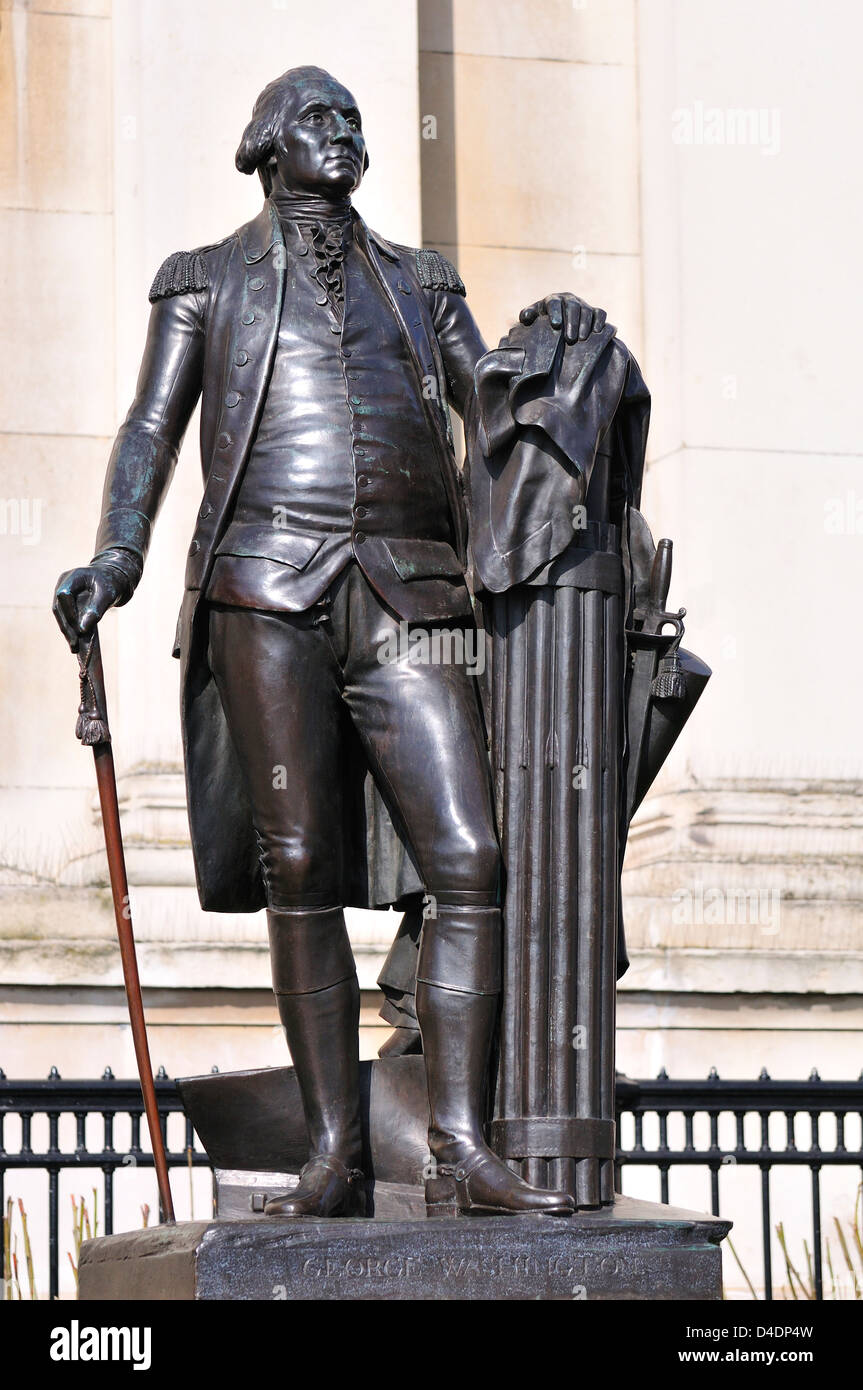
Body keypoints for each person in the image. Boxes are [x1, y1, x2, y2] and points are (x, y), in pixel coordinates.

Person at [54, 66, 604, 1218]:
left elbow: (490, 404)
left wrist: (557, 357)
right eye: (318, 118)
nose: (344, 134)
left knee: (469, 857)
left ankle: (458, 1143)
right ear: (263, 145)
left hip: (409, 593)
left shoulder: (419, 280)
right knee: (294, 867)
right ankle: (333, 1154)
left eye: (354, 119)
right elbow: (152, 428)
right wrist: (118, 556)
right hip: (266, 589)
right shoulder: (204, 281)